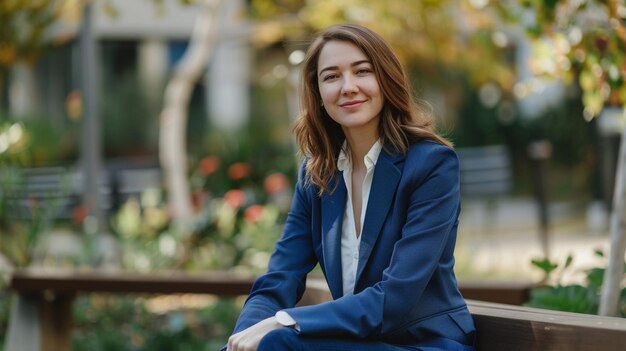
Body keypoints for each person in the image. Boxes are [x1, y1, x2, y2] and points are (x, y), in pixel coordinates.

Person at [224, 23, 476, 351]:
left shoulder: (431, 165)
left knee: (282, 340)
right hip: (358, 343)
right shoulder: (316, 174)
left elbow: (396, 298)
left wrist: (284, 320)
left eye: (362, 71)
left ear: (385, 79)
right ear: (318, 93)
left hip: (425, 343)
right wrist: (241, 339)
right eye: (331, 76)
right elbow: (278, 280)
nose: (348, 86)